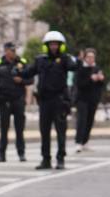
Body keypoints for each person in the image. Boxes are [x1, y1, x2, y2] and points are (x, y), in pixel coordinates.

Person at [19, 30, 80, 170]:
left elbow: (73, 67)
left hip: (59, 100)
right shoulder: (40, 60)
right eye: (51, 44)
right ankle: (46, 159)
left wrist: (79, 60)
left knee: (60, 131)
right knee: (44, 132)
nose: (53, 47)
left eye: (56, 44)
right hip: (45, 101)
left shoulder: (65, 59)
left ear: (60, 46)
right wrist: (19, 72)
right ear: (46, 45)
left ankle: (60, 159)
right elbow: (30, 71)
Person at [0, 41, 32, 163]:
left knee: (19, 129)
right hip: (4, 100)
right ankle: (1, 155)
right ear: (6, 51)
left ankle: (21, 154)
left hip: (18, 100)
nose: (13, 52)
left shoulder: (22, 63)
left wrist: (22, 80)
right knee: (4, 129)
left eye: (14, 50)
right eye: (10, 50)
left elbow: (31, 79)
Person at [74, 48, 106, 153]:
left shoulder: (97, 68)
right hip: (82, 99)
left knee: (90, 121)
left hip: (93, 99)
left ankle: (85, 141)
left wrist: (100, 79)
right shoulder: (81, 68)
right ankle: (78, 142)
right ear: (85, 58)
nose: (90, 59)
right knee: (82, 120)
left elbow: (101, 85)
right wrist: (90, 79)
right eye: (88, 57)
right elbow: (79, 84)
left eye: (92, 57)